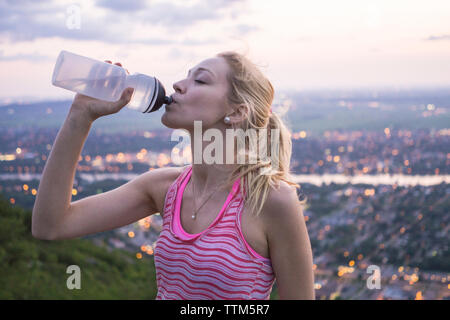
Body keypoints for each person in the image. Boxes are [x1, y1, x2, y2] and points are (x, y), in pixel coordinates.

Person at [32, 51, 315, 300]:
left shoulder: (270, 200)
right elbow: (51, 225)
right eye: (185, 77)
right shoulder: (164, 188)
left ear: (237, 111)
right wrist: (80, 115)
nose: (178, 85)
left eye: (200, 80)